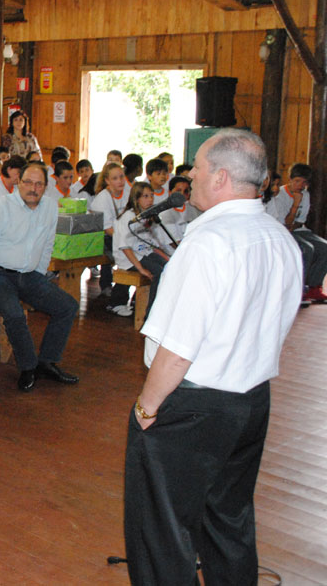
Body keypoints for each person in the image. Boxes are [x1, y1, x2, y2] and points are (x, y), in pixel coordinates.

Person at [123, 129, 302, 585]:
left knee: (162, 529)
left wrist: (147, 407)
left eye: (197, 169)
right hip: (251, 400)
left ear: (221, 177)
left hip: (194, 405)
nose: (189, 178)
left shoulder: (208, 244)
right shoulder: (278, 237)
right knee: (229, 518)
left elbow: (178, 348)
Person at [0, 163, 80, 392]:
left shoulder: (50, 207)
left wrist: (39, 274)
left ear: (46, 187)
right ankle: (28, 367)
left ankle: (47, 362)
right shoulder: (1, 207)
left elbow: (48, 242)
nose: (33, 188)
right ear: (18, 183)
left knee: (67, 306)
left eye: (39, 183)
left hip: (29, 274)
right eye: (28, 182)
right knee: (14, 315)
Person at [264, 162, 327, 302]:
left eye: (304, 182)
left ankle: (314, 287)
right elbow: (284, 223)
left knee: (324, 246)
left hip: (298, 229)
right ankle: (298, 288)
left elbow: (300, 220)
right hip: (283, 230)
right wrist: (296, 204)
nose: (300, 185)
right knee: (306, 249)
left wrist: (292, 223)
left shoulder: (306, 194)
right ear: (290, 179)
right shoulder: (279, 195)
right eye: (297, 181)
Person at [109, 182, 170, 318]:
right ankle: (150, 314)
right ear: (136, 199)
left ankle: (159, 306)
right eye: (145, 196)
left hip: (143, 252)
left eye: (151, 196)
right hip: (129, 257)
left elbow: (151, 243)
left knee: (168, 267)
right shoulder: (127, 218)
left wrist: (167, 258)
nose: (150, 200)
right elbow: (125, 248)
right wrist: (141, 269)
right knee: (158, 272)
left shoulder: (147, 215)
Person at [89, 161, 128, 297]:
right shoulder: (102, 198)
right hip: (102, 238)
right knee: (129, 255)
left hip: (119, 235)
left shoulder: (128, 192)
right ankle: (118, 296)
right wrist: (126, 239)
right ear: (107, 180)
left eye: (122, 177)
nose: (120, 181)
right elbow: (108, 230)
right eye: (115, 178)